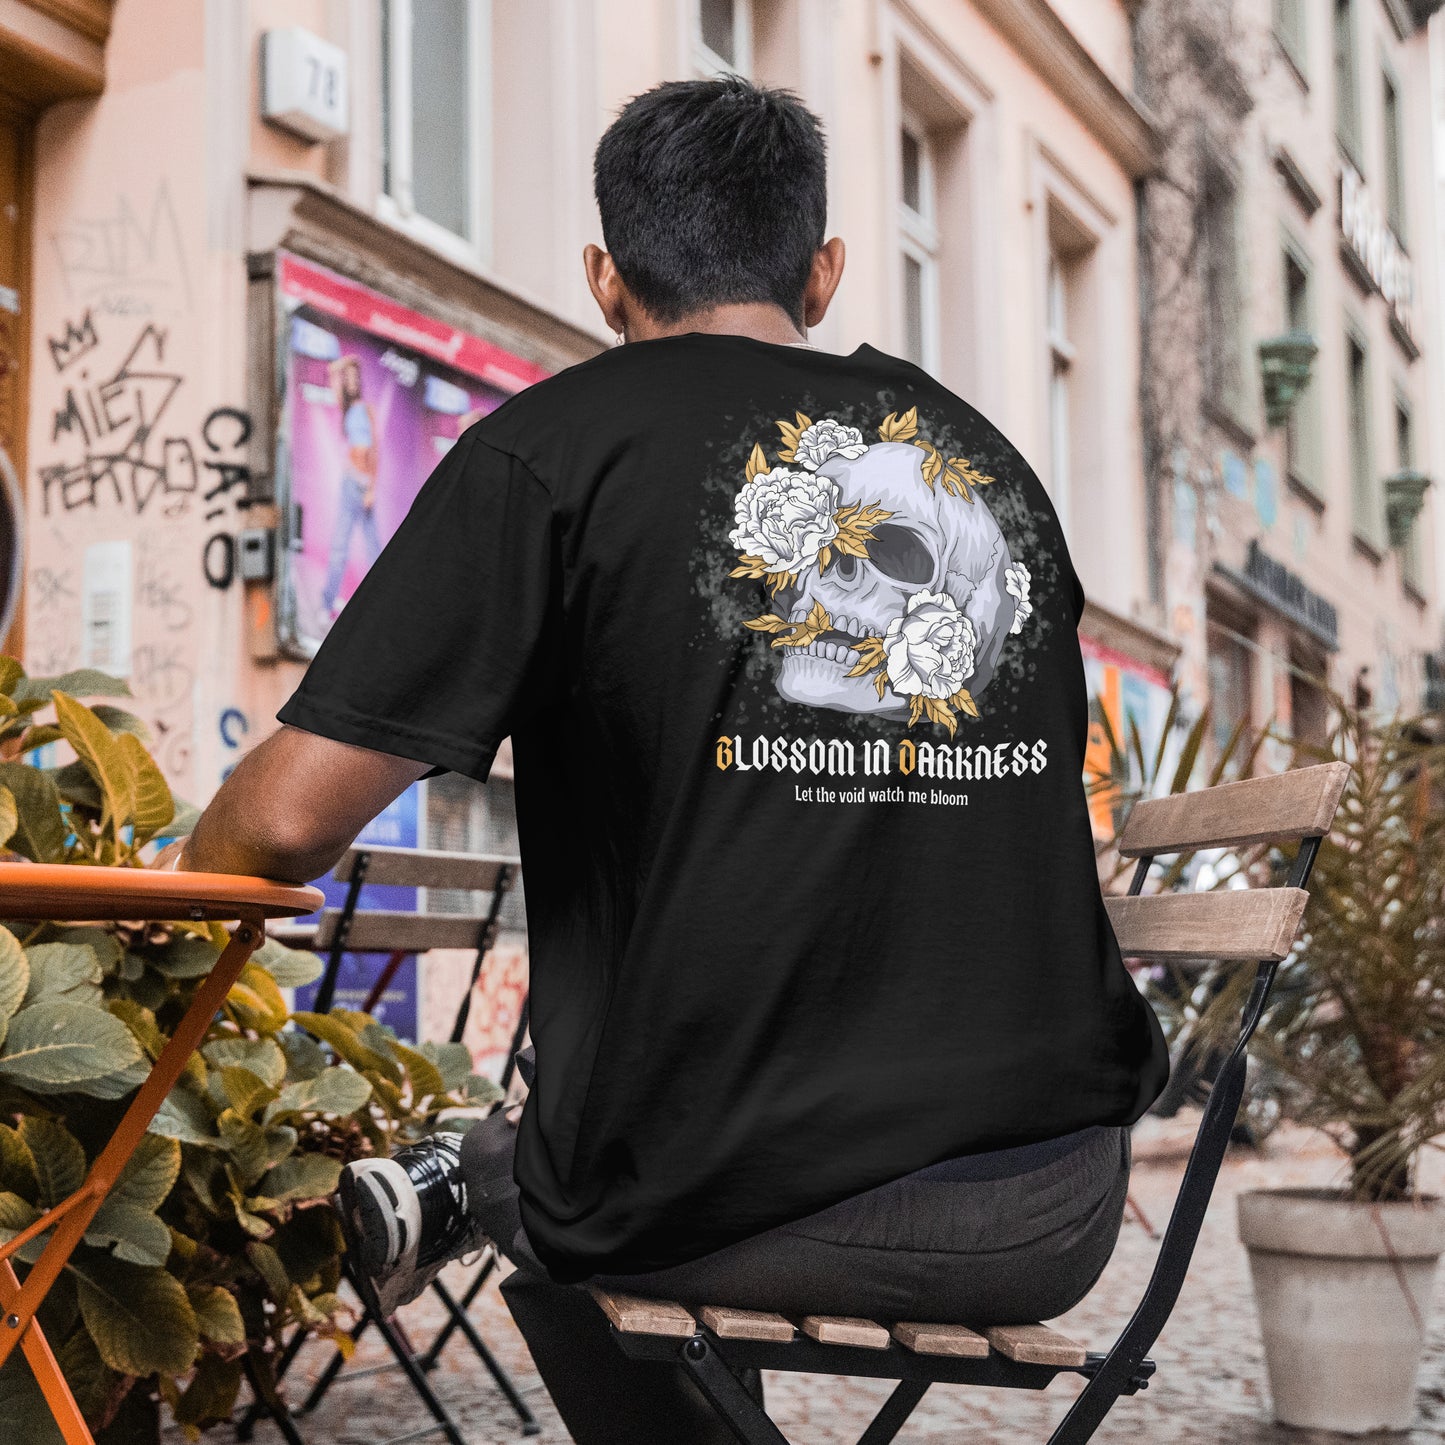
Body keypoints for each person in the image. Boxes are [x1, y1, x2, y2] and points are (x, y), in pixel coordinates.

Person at [172, 77, 1168, 1443]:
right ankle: (479, 1180)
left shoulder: (551, 450)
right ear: (824, 271)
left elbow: (280, 826)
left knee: (571, 1202)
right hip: (1054, 1197)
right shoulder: (988, 470)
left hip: (748, 1191)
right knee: (572, 1180)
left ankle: (470, 1184)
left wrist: (170, 899)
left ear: (602, 278)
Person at [321, 354, 381, 619]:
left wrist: (372, 488)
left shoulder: (367, 410)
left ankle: (379, 605)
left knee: (374, 549)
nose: (354, 382)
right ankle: (327, 604)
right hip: (349, 482)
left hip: (364, 483)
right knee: (339, 547)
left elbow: (376, 449)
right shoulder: (346, 407)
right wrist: (348, 364)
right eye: (350, 379)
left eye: (358, 378)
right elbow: (332, 371)